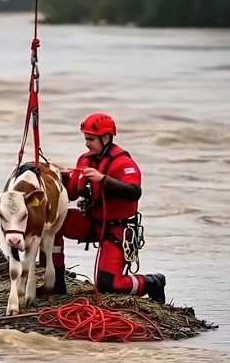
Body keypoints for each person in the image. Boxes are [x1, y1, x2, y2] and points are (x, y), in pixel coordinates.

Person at [49, 112, 167, 303]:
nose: (87, 143)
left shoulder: (123, 163)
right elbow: (71, 194)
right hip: (91, 221)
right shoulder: (85, 160)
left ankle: (153, 282)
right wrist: (58, 176)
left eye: (90, 139)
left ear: (105, 138)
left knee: (108, 285)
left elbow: (134, 192)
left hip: (117, 229)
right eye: (85, 139)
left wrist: (103, 179)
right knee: (53, 223)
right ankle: (56, 281)